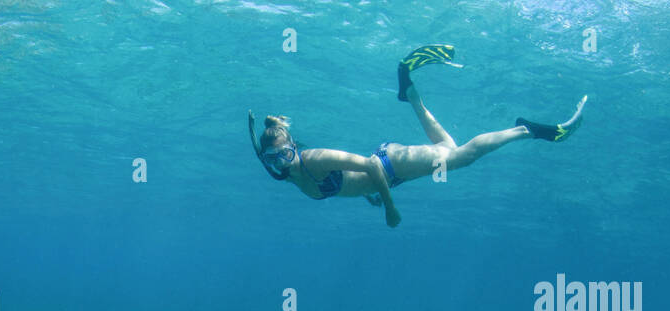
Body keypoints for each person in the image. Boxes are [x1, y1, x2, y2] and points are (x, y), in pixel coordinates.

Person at [249, 44, 587, 228]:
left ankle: (526, 129)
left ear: (295, 147)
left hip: (391, 165)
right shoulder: (285, 174)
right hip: (392, 174)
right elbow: (349, 182)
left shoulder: (315, 160)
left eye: (286, 154)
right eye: (273, 159)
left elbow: (368, 166)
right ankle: (409, 93)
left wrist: (389, 209)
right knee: (447, 149)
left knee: (463, 157)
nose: (283, 163)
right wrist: (372, 196)